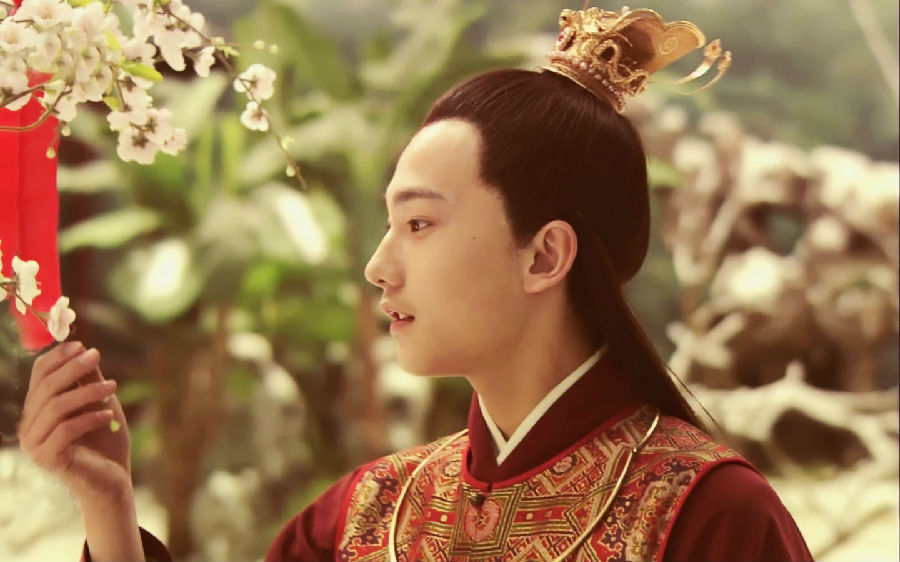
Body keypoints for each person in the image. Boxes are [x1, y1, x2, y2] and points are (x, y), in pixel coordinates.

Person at [18, 6, 813, 562]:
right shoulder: (365, 517)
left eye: (420, 223)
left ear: (545, 256)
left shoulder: (708, 519)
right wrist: (109, 508)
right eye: (389, 223)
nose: (378, 265)